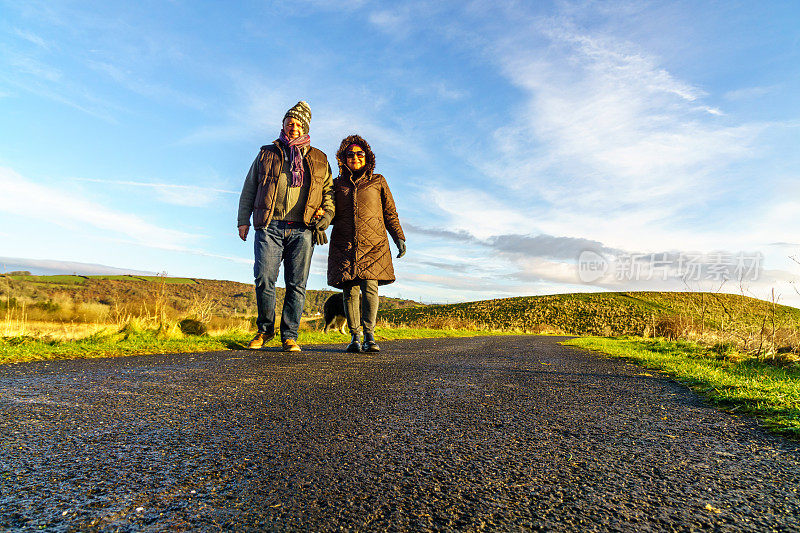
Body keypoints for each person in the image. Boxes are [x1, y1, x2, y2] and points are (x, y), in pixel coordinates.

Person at [238, 101, 334, 352]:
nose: (293, 127)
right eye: (289, 122)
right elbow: (250, 187)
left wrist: (326, 217)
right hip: (269, 225)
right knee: (264, 278)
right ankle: (264, 331)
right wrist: (242, 220)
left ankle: (289, 335)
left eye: (298, 123)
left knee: (296, 284)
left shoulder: (319, 158)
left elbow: (328, 194)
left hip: (303, 229)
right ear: (282, 124)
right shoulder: (266, 153)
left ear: (306, 128)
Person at [327, 134, 406, 353]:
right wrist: (318, 221)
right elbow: (330, 212)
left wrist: (398, 237)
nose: (355, 157)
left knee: (370, 287)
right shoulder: (336, 184)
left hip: (374, 243)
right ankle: (354, 337)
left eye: (359, 154)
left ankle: (369, 336)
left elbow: (390, 211)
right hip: (345, 243)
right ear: (343, 158)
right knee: (349, 290)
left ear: (367, 156)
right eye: (350, 154)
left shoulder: (378, 180)